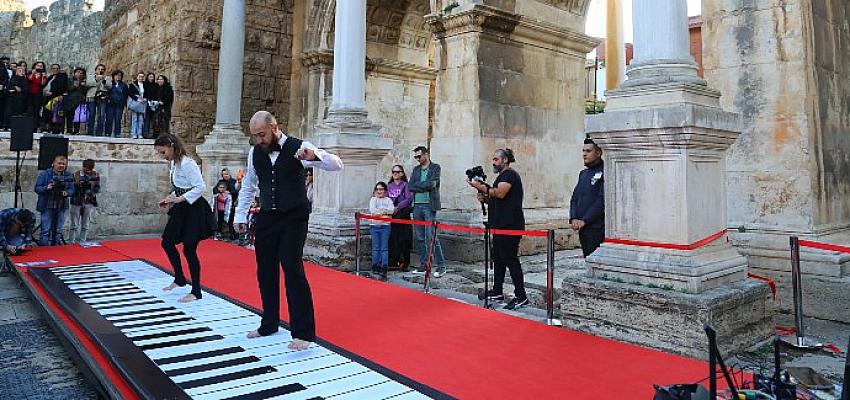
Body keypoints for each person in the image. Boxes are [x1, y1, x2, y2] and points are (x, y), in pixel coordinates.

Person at [234, 110, 343, 351]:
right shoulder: (255, 152)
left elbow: (337, 164)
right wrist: (240, 215)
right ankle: (269, 323)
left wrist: (315, 156)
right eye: (255, 135)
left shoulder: (299, 147)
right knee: (265, 271)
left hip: (294, 217)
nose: (259, 140)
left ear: (274, 128)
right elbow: (249, 184)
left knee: (292, 270)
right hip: (267, 217)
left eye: (262, 134)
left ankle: (303, 332)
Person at [154, 134, 214, 303]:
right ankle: (180, 278)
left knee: (189, 249)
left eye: (163, 152)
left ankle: (196, 291)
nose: (162, 156)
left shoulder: (188, 163)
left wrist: (179, 199)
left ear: (172, 147)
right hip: (181, 208)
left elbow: (200, 187)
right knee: (167, 242)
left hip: (194, 210)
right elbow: (180, 187)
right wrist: (169, 198)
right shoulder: (174, 163)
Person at [468, 149, 528, 310]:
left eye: (496, 159)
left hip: (510, 226)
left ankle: (521, 296)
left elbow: (500, 194)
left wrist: (481, 187)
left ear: (505, 160)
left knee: (510, 259)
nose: (493, 162)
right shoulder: (501, 177)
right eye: (493, 159)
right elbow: (498, 201)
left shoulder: (509, 175)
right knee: (499, 259)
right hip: (499, 225)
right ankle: (497, 291)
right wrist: (486, 198)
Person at [408, 146, 447, 277]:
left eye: (419, 156)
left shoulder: (435, 168)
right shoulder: (416, 169)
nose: (417, 159)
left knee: (431, 237)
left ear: (426, 155)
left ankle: (441, 266)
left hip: (429, 206)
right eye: (416, 157)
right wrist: (423, 185)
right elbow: (410, 186)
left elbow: (432, 184)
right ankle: (424, 265)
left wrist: (419, 185)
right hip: (417, 206)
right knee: (419, 237)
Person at [570, 138, 605, 257]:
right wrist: (573, 218)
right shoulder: (583, 174)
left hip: (596, 227)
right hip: (582, 228)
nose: (584, 154)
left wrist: (585, 220)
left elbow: (601, 200)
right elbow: (575, 198)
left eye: (588, 151)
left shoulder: (605, 171)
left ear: (598, 153)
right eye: (583, 151)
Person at [34, 154, 74, 246]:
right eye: (59, 163)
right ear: (54, 163)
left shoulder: (68, 175)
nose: (61, 165)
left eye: (63, 164)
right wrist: (46, 188)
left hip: (61, 206)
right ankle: (44, 250)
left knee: (58, 230)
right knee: (45, 230)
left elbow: (72, 189)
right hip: (47, 205)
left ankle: (55, 250)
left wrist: (67, 193)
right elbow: (37, 188)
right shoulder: (45, 174)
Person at [387, 165, 413, 271]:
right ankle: (394, 262)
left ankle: (405, 263)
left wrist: (398, 207)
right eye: (393, 172)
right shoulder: (389, 186)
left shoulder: (406, 185)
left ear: (402, 173)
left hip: (403, 215)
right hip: (392, 215)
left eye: (398, 172)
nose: (395, 174)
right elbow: (386, 197)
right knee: (393, 239)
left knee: (405, 239)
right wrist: (391, 207)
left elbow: (408, 198)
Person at [69, 159, 100, 243]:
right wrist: (79, 186)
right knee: (74, 225)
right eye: (86, 169)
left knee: (85, 225)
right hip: (76, 201)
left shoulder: (95, 175)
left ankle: (82, 242)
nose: (88, 171)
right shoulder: (76, 174)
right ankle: (71, 243)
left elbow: (97, 188)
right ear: (83, 167)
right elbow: (71, 189)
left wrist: (91, 192)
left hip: (89, 202)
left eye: (90, 169)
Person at [369, 181, 393, 281]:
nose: (379, 191)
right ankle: (375, 265)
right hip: (374, 226)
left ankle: (384, 266)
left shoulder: (388, 200)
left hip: (385, 226)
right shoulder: (373, 200)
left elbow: (391, 210)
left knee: (384, 248)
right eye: (378, 189)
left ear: (385, 191)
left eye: (381, 189)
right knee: (375, 247)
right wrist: (384, 212)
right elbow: (373, 210)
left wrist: (382, 212)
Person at [1, 208, 35, 273]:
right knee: (9, 247)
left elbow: (29, 233)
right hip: (3, 231)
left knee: (16, 247)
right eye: (19, 223)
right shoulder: (4, 215)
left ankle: (10, 265)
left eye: (23, 224)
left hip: (14, 234)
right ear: (16, 217)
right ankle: (6, 264)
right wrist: (6, 245)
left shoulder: (31, 218)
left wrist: (25, 243)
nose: (22, 225)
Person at [85, 64, 110, 136]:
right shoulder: (90, 76)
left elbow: (110, 86)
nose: (100, 70)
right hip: (91, 97)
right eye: (99, 69)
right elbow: (87, 84)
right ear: (95, 70)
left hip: (102, 98)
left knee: (101, 115)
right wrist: (96, 79)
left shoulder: (107, 78)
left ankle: (99, 132)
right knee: (91, 114)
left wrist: (104, 81)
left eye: (102, 69)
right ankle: (90, 132)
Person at [44, 64, 69, 134]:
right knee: (48, 114)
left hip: (56, 97)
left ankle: (56, 129)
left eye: (57, 68)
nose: (55, 70)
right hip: (47, 98)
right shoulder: (50, 77)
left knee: (56, 114)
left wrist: (52, 93)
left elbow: (62, 87)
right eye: (54, 68)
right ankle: (47, 128)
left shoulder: (62, 76)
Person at [63, 67, 87, 135]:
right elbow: (67, 90)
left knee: (78, 117)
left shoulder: (84, 82)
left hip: (79, 102)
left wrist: (83, 86)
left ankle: (76, 131)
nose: (79, 74)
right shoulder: (69, 80)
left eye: (81, 73)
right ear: (74, 73)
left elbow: (85, 92)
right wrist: (74, 86)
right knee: (70, 117)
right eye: (78, 72)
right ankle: (69, 131)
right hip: (70, 101)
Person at [105, 70, 128, 138]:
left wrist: (125, 104)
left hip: (120, 105)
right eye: (116, 75)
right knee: (109, 119)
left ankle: (117, 133)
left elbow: (126, 95)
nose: (118, 77)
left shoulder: (124, 85)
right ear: (113, 76)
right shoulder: (110, 83)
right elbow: (106, 92)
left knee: (118, 119)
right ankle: (108, 132)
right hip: (110, 104)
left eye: (120, 75)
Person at [128, 72, 147, 139]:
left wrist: (145, 98)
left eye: (142, 76)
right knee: (135, 118)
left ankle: (139, 133)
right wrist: (137, 99)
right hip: (136, 103)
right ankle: (134, 133)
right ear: (137, 77)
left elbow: (147, 93)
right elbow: (130, 93)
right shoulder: (133, 84)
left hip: (142, 103)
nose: (141, 78)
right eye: (140, 76)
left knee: (141, 119)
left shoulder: (145, 85)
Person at [143, 72, 156, 138]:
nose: (151, 78)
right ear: (147, 77)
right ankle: (145, 134)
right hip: (146, 104)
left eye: (152, 77)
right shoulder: (144, 84)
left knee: (153, 119)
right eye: (150, 77)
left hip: (153, 104)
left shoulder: (155, 85)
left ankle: (152, 134)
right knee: (146, 119)